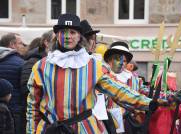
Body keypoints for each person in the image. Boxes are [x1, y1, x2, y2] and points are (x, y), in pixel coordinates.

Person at [26, 13, 155, 134]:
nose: (67, 36)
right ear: (57, 35)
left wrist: (149, 102)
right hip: (51, 129)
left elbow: (119, 90)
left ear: (79, 36)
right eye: (63, 32)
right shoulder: (41, 66)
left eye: (72, 32)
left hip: (85, 129)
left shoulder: (93, 65)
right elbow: (33, 107)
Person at [0, 33, 25, 134]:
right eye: (21, 43)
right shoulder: (21, 63)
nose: (23, 46)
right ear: (12, 44)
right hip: (14, 110)